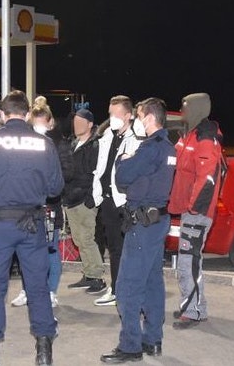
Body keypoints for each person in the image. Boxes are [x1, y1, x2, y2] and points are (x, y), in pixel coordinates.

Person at [0, 92, 63, 366]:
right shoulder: (44, 143)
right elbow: (56, 187)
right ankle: (44, 354)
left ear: (2, 114)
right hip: (32, 225)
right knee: (38, 287)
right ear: (27, 113)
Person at [100, 98, 175, 363]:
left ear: (149, 118)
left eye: (139, 116)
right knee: (152, 283)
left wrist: (123, 159)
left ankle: (130, 346)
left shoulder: (150, 147)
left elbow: (122, 178)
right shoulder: (168, 147)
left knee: (127, 287)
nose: (137, 121)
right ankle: (152, 339)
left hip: (142, 225)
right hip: (157, 222)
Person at [10, 98, 74, 308]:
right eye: (35, 122)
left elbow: (67, 173)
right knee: (25, 252)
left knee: (51, 249)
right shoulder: (25, 142)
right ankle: (27, 289)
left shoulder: (59, 144)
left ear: (50, 122)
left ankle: (51, 291)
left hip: (50, 206)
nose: (38, 126)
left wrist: (46, 179)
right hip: (27, 207)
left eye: (42, 122)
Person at [168, 92, 224, 329]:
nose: (182, 112)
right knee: (188, 260)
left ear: (197, 109)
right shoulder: (189, 135)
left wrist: (194, 208)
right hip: (188, 209)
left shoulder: (205, 138)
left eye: (185, 108)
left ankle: (193, 311)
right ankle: (191, 306)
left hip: (197, 212)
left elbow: (207, 177)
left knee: (188, 262)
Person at [92, 95, 140, 306]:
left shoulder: (136, 139)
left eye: (116, 114)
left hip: (124, 201)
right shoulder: (107, 136)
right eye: (110, 113)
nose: (112, 118)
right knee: (114, 248)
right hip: (108, 201)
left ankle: (124, 291)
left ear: (128, 115)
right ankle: (116, 288)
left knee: (127, 248)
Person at [63, 109, 107, 295]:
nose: (76, 125)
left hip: (84, 200)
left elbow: (94, 174)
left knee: (87, 238)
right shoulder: (73, 144)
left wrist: (90, 197)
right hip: (70, 199)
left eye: (81, 122)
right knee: (79, 239)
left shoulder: (95, 146)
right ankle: (89, 274)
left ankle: (97, 277)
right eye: (75, 122)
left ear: (90, 125)